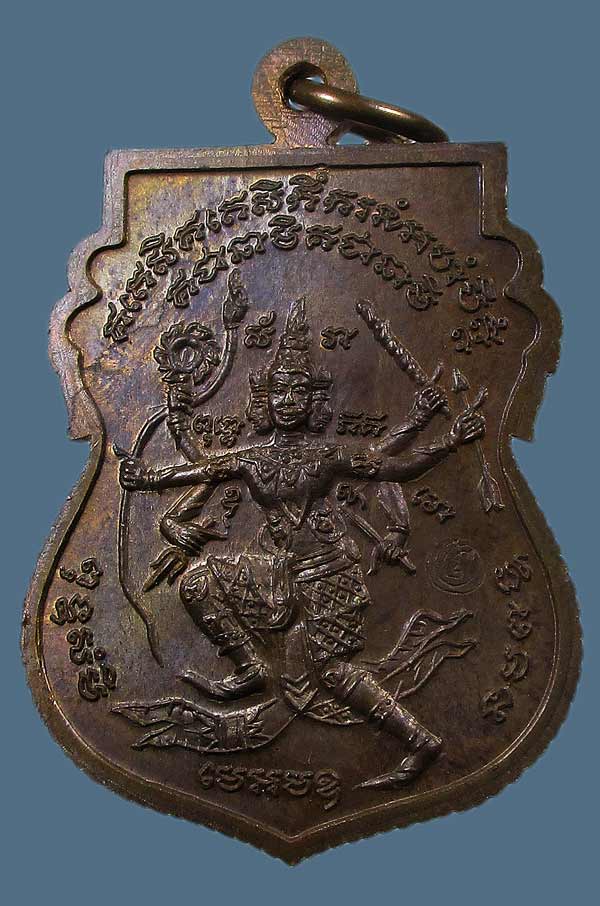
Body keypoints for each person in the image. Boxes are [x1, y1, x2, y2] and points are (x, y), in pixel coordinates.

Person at [120, 298, 484, 787]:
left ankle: (420, 742)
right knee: (198, 583)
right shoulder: (251, 458)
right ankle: (251, 667)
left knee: (332, 673)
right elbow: (201, 466)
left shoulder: (326, 456)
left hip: (328, 574)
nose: (288, 400)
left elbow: (395, 467)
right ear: (265, 400)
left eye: (298, 391)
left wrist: (449, 441)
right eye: (280, 391)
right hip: (278, 573)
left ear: (313, 401)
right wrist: (146, 478)